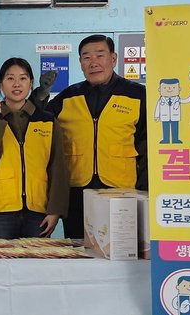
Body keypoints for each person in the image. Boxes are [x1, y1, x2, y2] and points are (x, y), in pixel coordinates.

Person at [46, 35, 147, 239]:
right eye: (86, 57)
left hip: (123, 191)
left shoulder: (137, 94)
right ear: (80, 63)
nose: (93, 62)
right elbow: (38, 124)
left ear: (113, 58)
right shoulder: (67, 97)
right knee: (78, 249)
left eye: (100, 55)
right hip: (77, 192)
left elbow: (147, 146)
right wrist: (40, 94)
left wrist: (145, 191)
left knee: (121, 248)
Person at [0, 58, 68, 239]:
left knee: (35, 257)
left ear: (31, 83)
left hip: (37, 210)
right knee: (2, 258)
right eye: (10, 78)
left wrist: (55, 210)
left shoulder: (46, 120)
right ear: (1, 84)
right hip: (0, 211)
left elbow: (57, 168)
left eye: (23, 78)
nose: (16, 84)